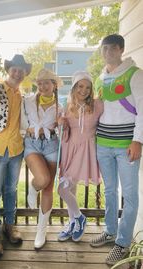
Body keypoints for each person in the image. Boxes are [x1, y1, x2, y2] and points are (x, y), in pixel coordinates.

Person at [90, 34, 143, 265]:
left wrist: (137, 140)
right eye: (105, 48)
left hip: (126, 145)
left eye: (112, 48)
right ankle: (110, 231)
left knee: (129, 196)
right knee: (110, 190)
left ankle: (122, 243)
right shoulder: (101, 78)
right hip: (104, 143)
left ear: (121, 49)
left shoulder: (135, 74)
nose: (108, 52)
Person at [0, 54, 32, 257]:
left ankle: (9, 226)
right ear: (8, 70)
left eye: (21, 70)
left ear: (25, 73)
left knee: (11, 190)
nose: (17, 73)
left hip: (16, 150)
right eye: (14, 69)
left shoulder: (23, 95)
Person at [57, 71, 103, 243]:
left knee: (62, 189)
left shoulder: (98, 105)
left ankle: (79, 217)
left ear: (91, 90)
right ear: (75, 87)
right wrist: (61, 124)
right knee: (71, 189)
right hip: (70, 150)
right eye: (80, 86)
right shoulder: (67, 106)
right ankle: (73, 223)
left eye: (88, 87)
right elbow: (64, 133)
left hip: (87, 150)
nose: (84, 90)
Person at [24, 69, 61, 249]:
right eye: (39, 83)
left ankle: (41, 231)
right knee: (42, 180)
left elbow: (65, 127)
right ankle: (32, 187)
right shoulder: (29, 101)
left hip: (51, 144)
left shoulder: (61, 106)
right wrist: (26, 129)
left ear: (54, 85)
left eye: (47, 82)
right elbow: (19, 120)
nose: (43, 86)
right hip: (32, 144)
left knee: (48, 189)